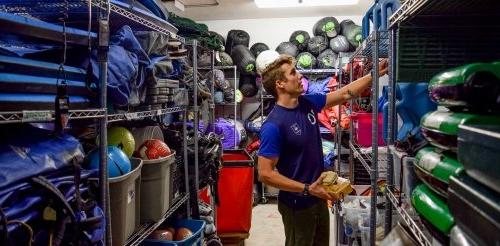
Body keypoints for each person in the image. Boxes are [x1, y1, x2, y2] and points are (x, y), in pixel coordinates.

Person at [257, 55, 388, 246]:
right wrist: (307, 189)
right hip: (297, 204)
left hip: (319, 196)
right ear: (280, 84)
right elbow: (265, 173)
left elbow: (345, 94)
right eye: (293, 73)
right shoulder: (274, 125)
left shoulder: (307, 103)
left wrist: (373, 74)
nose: (299, 75)